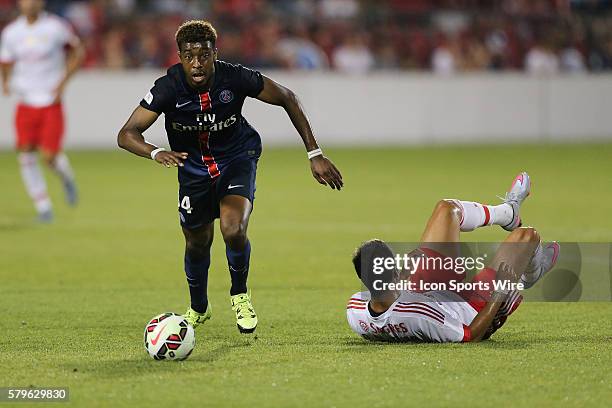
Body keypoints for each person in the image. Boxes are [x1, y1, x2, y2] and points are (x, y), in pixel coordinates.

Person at [118, 20, 343, 334]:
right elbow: (127, 134)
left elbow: (287, 97)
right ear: (180, 57)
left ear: (214, 53)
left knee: (232, 228)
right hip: (192, 169)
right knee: (197, 242)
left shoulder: (235, 77)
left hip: (237, 157)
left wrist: (314, 153)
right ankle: (199, 307)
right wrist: (155, 152)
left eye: (204, 55)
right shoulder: (167, 87)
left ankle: (239, 294)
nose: (196, 63)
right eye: (188, 56)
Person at [347, 172, 560, 342]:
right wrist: (501, 290)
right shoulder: (417, 314)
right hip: (467, 309)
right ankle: (530, 275)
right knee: (526, 236)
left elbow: (386, 302)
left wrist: (404, 276)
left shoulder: (355, 308)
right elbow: (471, 335)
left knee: (446, 209)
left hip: (421, 292)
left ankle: (508, 212)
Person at [0, 0, 83, 222]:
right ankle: (43, 206)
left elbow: (78, 52)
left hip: (50, 101)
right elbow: (6, 60)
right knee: (26, 154)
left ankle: (66, 177)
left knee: (49, 157)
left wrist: (63, 83)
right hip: (25, 100)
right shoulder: (11, 32)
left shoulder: (56, 27)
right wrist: (6, 81)